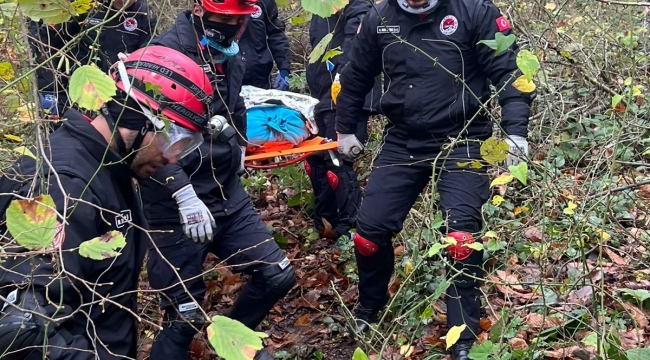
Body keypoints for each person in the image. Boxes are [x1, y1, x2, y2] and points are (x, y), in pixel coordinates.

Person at [334, 0, 536, 358]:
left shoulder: (474, 11)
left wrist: (516, 131)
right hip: (403, 140)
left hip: (464, 140)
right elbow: (356, 76)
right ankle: (370, 307)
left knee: (461, 240)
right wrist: (345, 129)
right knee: (368, 235)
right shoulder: (379, 17)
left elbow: (509, 71)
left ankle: (462, 337)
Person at [0, 46, 215, 360]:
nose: (171, 158)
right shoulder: (66, 185)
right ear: (136, 119)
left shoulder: (108, 168)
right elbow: (23, 329)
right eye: (170, 140)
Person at [138, 1, 296, 359]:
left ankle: (228, 342)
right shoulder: (163, 56)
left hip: (227, 194)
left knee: (277, 275)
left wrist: (240, 145)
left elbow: (233, 105)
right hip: (174, 206)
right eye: (223, 18)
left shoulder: (230, 54)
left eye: (238, 20)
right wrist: (182, 194)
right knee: (183, 318)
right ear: (198, 9)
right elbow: (146, 140)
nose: (230, 26)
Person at [304, 0, 382, 241]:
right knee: (315, 157)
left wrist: (343, 80)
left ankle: (351, 226)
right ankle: (325, 219)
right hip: (322, 94)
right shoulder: (321, 8)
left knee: (337, 160)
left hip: (344, 94)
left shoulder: (356, 4)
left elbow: (358, 39)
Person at [28, 0, 157, 121]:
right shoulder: (86, 5)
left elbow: (148, 58)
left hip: (115, 96)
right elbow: (48, 47)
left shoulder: (144, 14)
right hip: (74, 88)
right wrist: (51, 93)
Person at [239, 0, 291, 90]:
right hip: (227, 73)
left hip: (259, 73)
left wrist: (284, 68)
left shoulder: (264, 2)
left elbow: (276, 33)